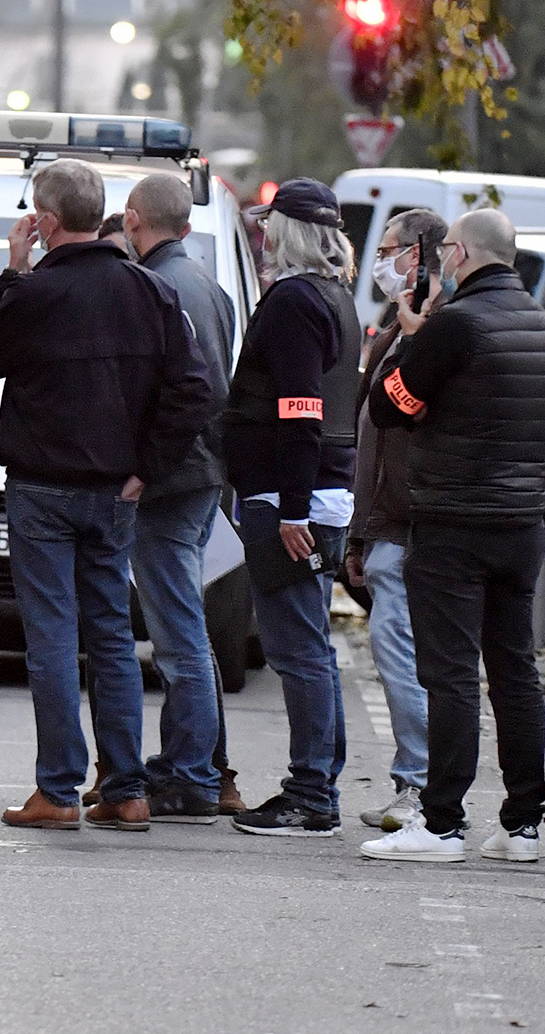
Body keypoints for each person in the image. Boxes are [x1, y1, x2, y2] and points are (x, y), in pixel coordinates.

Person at [0, 159, 216, 831]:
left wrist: (12, 272)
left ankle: (60, 790)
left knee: (51, 638)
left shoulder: (34, 294)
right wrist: (149, 467)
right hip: (114, 490)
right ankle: (125, 788)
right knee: (112, 637)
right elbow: (196, 390)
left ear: (42, 221)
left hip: (42, 487)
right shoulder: (149, 291)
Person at [360, 208, 545, 865]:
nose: (443, 258)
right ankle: (524, 824)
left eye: (449, 250)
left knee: (448, 674)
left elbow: (394, 404)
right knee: (515, 671)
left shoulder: (456, 324)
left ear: (466, 254)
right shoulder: (544, 325)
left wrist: (414, 342)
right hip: (521, 521)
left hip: (452, 520)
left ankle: (443, 822)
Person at [223, 178, 361, 837]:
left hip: (289, 497)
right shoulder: (338, 298)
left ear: (285, 232)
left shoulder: (293, 302)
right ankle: (320, 784)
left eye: (269, 224)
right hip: (321, 493)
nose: (263, 234)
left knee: (297, 651)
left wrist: (292, 511)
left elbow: (300, 410)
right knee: (313, 649)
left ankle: (310, 794)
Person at [118, 173, 238, 822]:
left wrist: (145, 468)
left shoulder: (159, 287)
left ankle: (190, 773)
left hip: (172, 481)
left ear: (134, 219)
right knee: (184, 626)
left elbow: (185, 394)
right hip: (200, 476)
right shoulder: (208, 287)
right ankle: (189, 763)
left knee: (177, 636)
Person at [346, 208, 446, 832]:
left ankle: (421, 787)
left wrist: (410, 338)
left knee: (402, 654)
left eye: (388, 250)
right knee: (403, 654)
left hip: (409, 524)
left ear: (419, 255)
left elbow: (402, 414)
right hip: (387, 523)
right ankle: (421, 783)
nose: (379, 261)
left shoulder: (434, 330)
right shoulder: (398, 327)